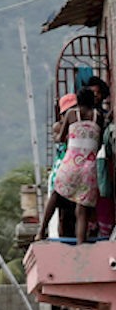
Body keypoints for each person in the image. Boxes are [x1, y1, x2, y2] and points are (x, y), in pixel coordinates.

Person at [40, 87, 101, 244]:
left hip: (71, 164)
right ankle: (81, 244)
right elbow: (98, 144)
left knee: (55, 195)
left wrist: (63, 136)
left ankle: (41, 231)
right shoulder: (98, 117)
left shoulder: (72, 114)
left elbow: (61, 138)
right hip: (89, 167)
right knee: (81, 210)